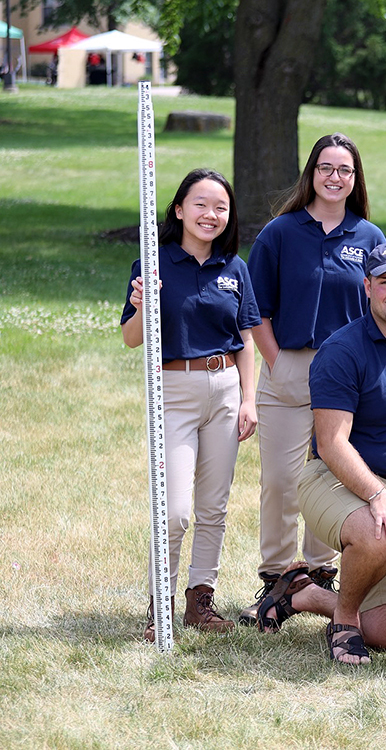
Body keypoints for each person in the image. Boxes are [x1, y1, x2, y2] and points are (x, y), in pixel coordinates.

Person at [258, 242, 386, 663]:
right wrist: (378, 496)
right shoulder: (342, 350)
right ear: (367, 287)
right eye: (385, 282)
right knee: (374, 529)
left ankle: (303, 593)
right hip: (333, 480)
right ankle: (345, 620)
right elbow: (332, 443)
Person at [240, 133, 386, 626]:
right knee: (281, 480)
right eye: (326, 167)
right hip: (290, 364)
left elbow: (381, 308)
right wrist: (277, 362)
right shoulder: (280, 233)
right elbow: (254, 306)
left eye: (344, 170)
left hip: (347, 374)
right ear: (312, 173)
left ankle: (320, 573)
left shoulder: (369, 238)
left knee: (332, 473)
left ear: (354, 179)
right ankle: (278, 578)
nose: (334, 177)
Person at [120, 169, 259, 641]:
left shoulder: (234, 268)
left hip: (224, 391)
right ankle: (161, 604)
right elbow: (130, 338)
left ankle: (201, 601)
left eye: (220, 207)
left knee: (214, 505)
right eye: (200, 204)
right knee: (175, 510)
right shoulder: (152, 265)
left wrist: (249, 399)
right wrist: (142, 305)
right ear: (178, 209)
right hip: (173, 392)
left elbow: (246, 339)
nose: (211, 215)